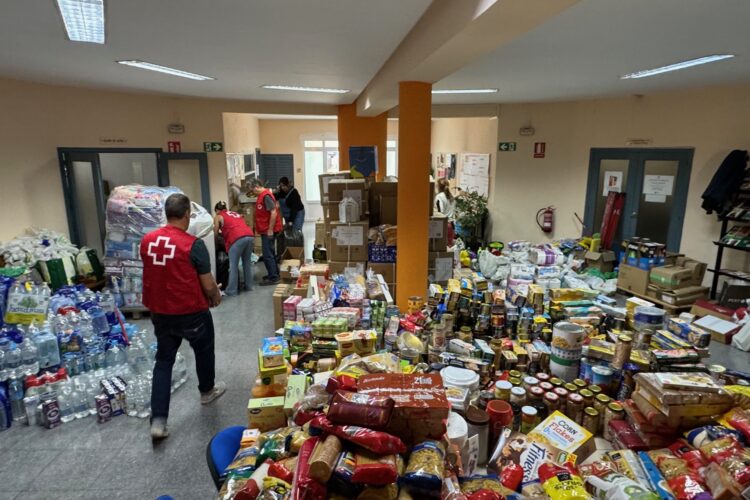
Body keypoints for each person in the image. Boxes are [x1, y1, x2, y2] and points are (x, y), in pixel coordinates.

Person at [140, 193, 225, 440]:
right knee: (204, 348)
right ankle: (207, 391)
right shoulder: (193, 244)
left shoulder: (147, 241)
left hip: (160, 312)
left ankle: (158, 421)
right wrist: (215, 296)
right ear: (187, 215)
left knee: (164, 361)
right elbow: (208, 284)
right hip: (191, 311)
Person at [213, 201, 254, 296]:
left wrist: (215, 244)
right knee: (247, 263)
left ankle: (231, 291)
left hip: (236, 238)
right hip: (249, 235)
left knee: (233, 266)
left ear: (217, 210)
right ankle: (249, 286)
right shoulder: (235, 213)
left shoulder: (218, 216)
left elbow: (215, 232)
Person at [249, 179, 282, 285]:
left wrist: (270, 230)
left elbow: (273, 213)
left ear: (256, 187)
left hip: (269, 230)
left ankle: (273, 278)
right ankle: (275, 274)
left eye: (253, 190)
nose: (253, 193)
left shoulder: (266, 196)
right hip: (265, 229)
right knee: (270, 253)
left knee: (268, 255)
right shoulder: (262, 195)